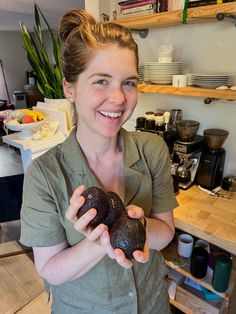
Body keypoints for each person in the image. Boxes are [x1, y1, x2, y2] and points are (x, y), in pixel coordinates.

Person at [20, 8, 178, 314]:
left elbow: (167, 230)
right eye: (101, 81)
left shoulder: (153, 150)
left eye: (129, 83)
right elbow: (50, 268)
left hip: (153, 304)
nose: (119, 98)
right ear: (70, 87)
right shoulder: (44, 175)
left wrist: (140, 225)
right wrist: (97, 242)